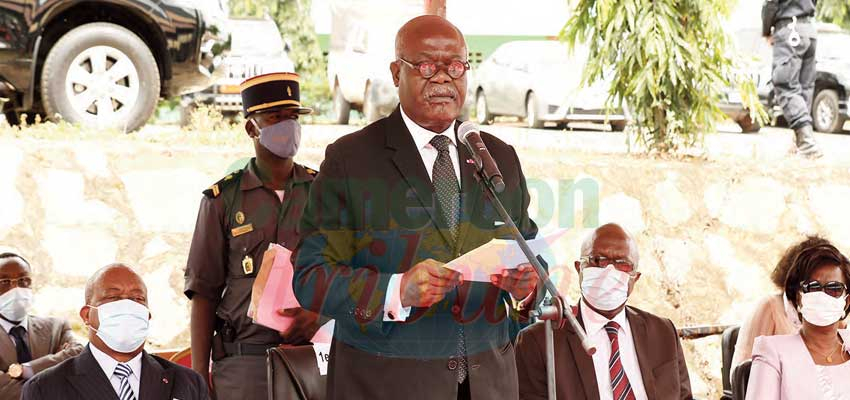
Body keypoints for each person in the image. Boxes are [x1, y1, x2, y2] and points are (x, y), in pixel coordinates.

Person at [293, 15, 541, 400]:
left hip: (489, 382)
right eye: (426, 66)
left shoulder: (498, 157)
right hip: (388, 384)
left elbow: (530, 249)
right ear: (396, 72)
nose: (442, 78)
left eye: (455, 66)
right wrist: (397, 289)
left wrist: (528, 285)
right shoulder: (351, 160)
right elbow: (311, 278)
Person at [184, 71, 325, 399]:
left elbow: (351, 272)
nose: (288, 126)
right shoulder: (222, 200)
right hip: (244, 361)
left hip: (310, 353)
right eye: (276, 117)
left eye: (293, 117)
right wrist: (198, 375)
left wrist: (322, 313)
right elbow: (204, 293)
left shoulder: (323, 192)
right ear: (251, 127)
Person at [515, 223, 692, 400]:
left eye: (622, 264)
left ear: (635, 278)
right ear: (579, 268)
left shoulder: (663, 332)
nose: (609, 271)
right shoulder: (539, 342)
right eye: (598, 260)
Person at [21, 263, 209, 399]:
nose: (127, 305)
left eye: (137, 299)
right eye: (113, 297)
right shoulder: (44, 389)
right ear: (87, 315)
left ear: (147, 315)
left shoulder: (188, 382)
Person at [746, 244, 850, 398]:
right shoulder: (773, 352)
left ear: (846, 301)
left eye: (833, 288)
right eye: (812, 287)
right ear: (798, 298)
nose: (822, 296)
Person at [731, 235, 847, 370]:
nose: (822, 293)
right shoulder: (770, 307)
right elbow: (743, 371)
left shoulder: (833, 313)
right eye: (813, 284)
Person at [0, 253, 83, 399]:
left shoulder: (56, 328)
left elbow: (80, 356)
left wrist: (23, 370)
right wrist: (57, 370)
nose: (16, 288)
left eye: (24, 280)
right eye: (5, 282)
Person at [762, 0, 822, 158]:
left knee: (785, 85)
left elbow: (771, 3)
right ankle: (800, 145)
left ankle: (807, 144)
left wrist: (767, 30)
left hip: (790, 29)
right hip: (809, 30)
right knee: (804, 89)